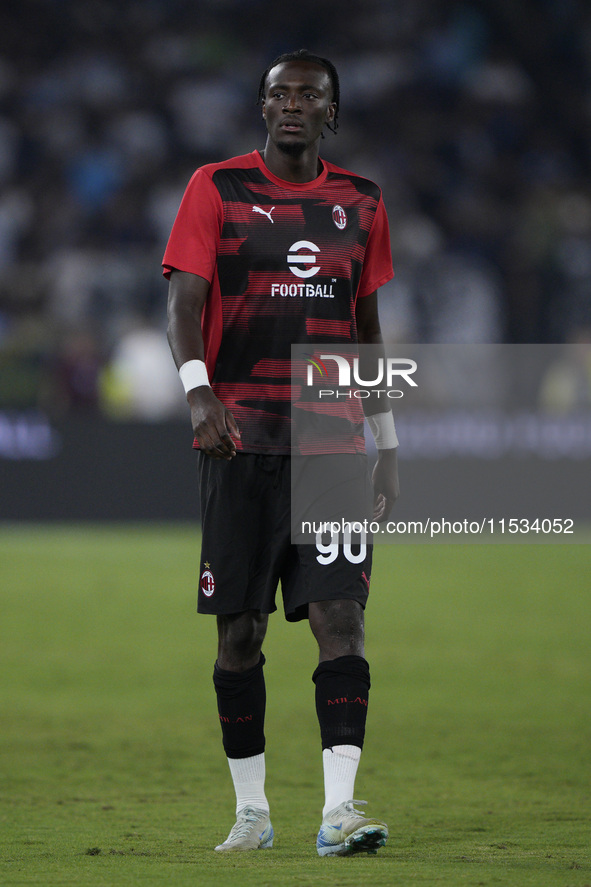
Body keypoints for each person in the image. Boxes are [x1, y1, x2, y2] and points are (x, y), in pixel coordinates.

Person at [163, 49, 399, 857]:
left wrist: (387, 440)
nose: (292, 105)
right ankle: (252, 812)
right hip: (240, 440)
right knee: (241, 635)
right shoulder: (216, 188)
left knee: (342, 619)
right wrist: (199, 392)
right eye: (278, 94)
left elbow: (365, 330)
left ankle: (338, 811)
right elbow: (182, 304)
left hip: (331, 442)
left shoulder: (362, 204)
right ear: (261, 109)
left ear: (331, 112)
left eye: (309, 95)